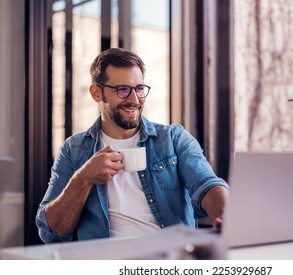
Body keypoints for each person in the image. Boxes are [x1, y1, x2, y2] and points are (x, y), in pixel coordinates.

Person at [36, 48, 229, 243]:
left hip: (169, 259)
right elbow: (51, 232)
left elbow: (206, 184)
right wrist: (83, 179)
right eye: (122, 89)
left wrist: (227, 217)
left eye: (139, 88)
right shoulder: (73, 149)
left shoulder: (173, 138)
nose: (135, 99)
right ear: (96, 93)